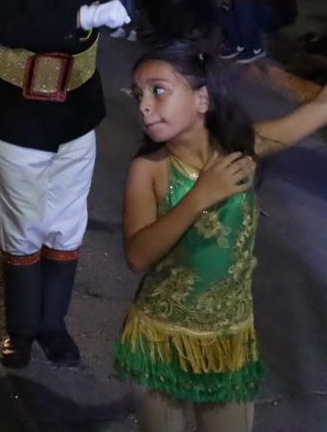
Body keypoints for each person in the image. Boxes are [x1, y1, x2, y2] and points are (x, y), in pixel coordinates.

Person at [0, 0, 299, 370]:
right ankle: (21, 329)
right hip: (20, 114)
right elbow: (12, 26)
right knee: (24, 226)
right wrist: (81, 15)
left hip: (77, 107)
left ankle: (54, 327)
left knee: (67, 221)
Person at [116, 42, 327, 432]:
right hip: (163, 338)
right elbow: (137, 255)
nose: (145, 105)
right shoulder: (149, 170)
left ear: (202, 99)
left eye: (158, 90)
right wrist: (199, 197)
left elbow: (318, 109)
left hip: (228, 340)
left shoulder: (241, 150)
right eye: (139, 94)